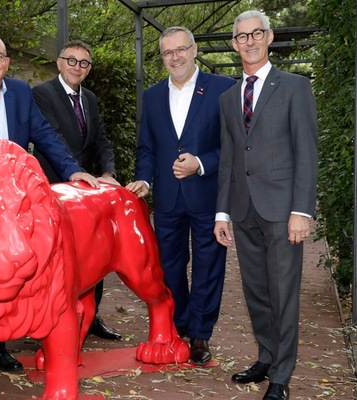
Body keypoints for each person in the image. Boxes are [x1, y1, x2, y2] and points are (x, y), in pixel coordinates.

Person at [0, 32, 100, 373]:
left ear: (8, 62)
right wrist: (1, 161)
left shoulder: (21, 92)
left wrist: (73, 171)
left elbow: (43, 134)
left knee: (9, 268)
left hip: (13, 200)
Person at [213, 10, 318, 400]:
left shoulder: (294, 87)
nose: (250, 41)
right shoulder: (228, 98)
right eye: (242, 36)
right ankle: (266, 357)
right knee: (256, 291)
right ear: (234, 43)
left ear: (269, 36)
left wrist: (302, 211)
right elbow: (228, 159)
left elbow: (306, 151)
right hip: (242, 210)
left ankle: (281, 377)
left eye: (256, 33)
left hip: (282, 211)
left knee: (283, 292)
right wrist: (222, 212)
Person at [126, 27, 235, 366]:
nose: (174, 57)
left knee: (208, 267)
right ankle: (180, 324)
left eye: (180, 50)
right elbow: (147, 146)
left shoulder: (223, 88)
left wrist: (202, 163)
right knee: (169, 267)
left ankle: (201, 335)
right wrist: (144, 179)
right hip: (169, 199)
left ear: (194, 49)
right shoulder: (152, 96)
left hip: (207, 196)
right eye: (167, 52)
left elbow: (233, 147)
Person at [31, 39, 122, 341]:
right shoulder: (42, 94)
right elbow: (52, 139)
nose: (76, 67)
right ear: (58, 63)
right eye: (71, 60)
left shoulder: (91, 99)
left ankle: (91, 317)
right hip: (55, 187)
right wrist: (75, 172)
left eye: (83, 63)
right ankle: (52, 321)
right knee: (56, 257)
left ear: (89, 69)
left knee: (91, 252)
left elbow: (101, 141)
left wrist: (108, 172)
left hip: (85, 191)